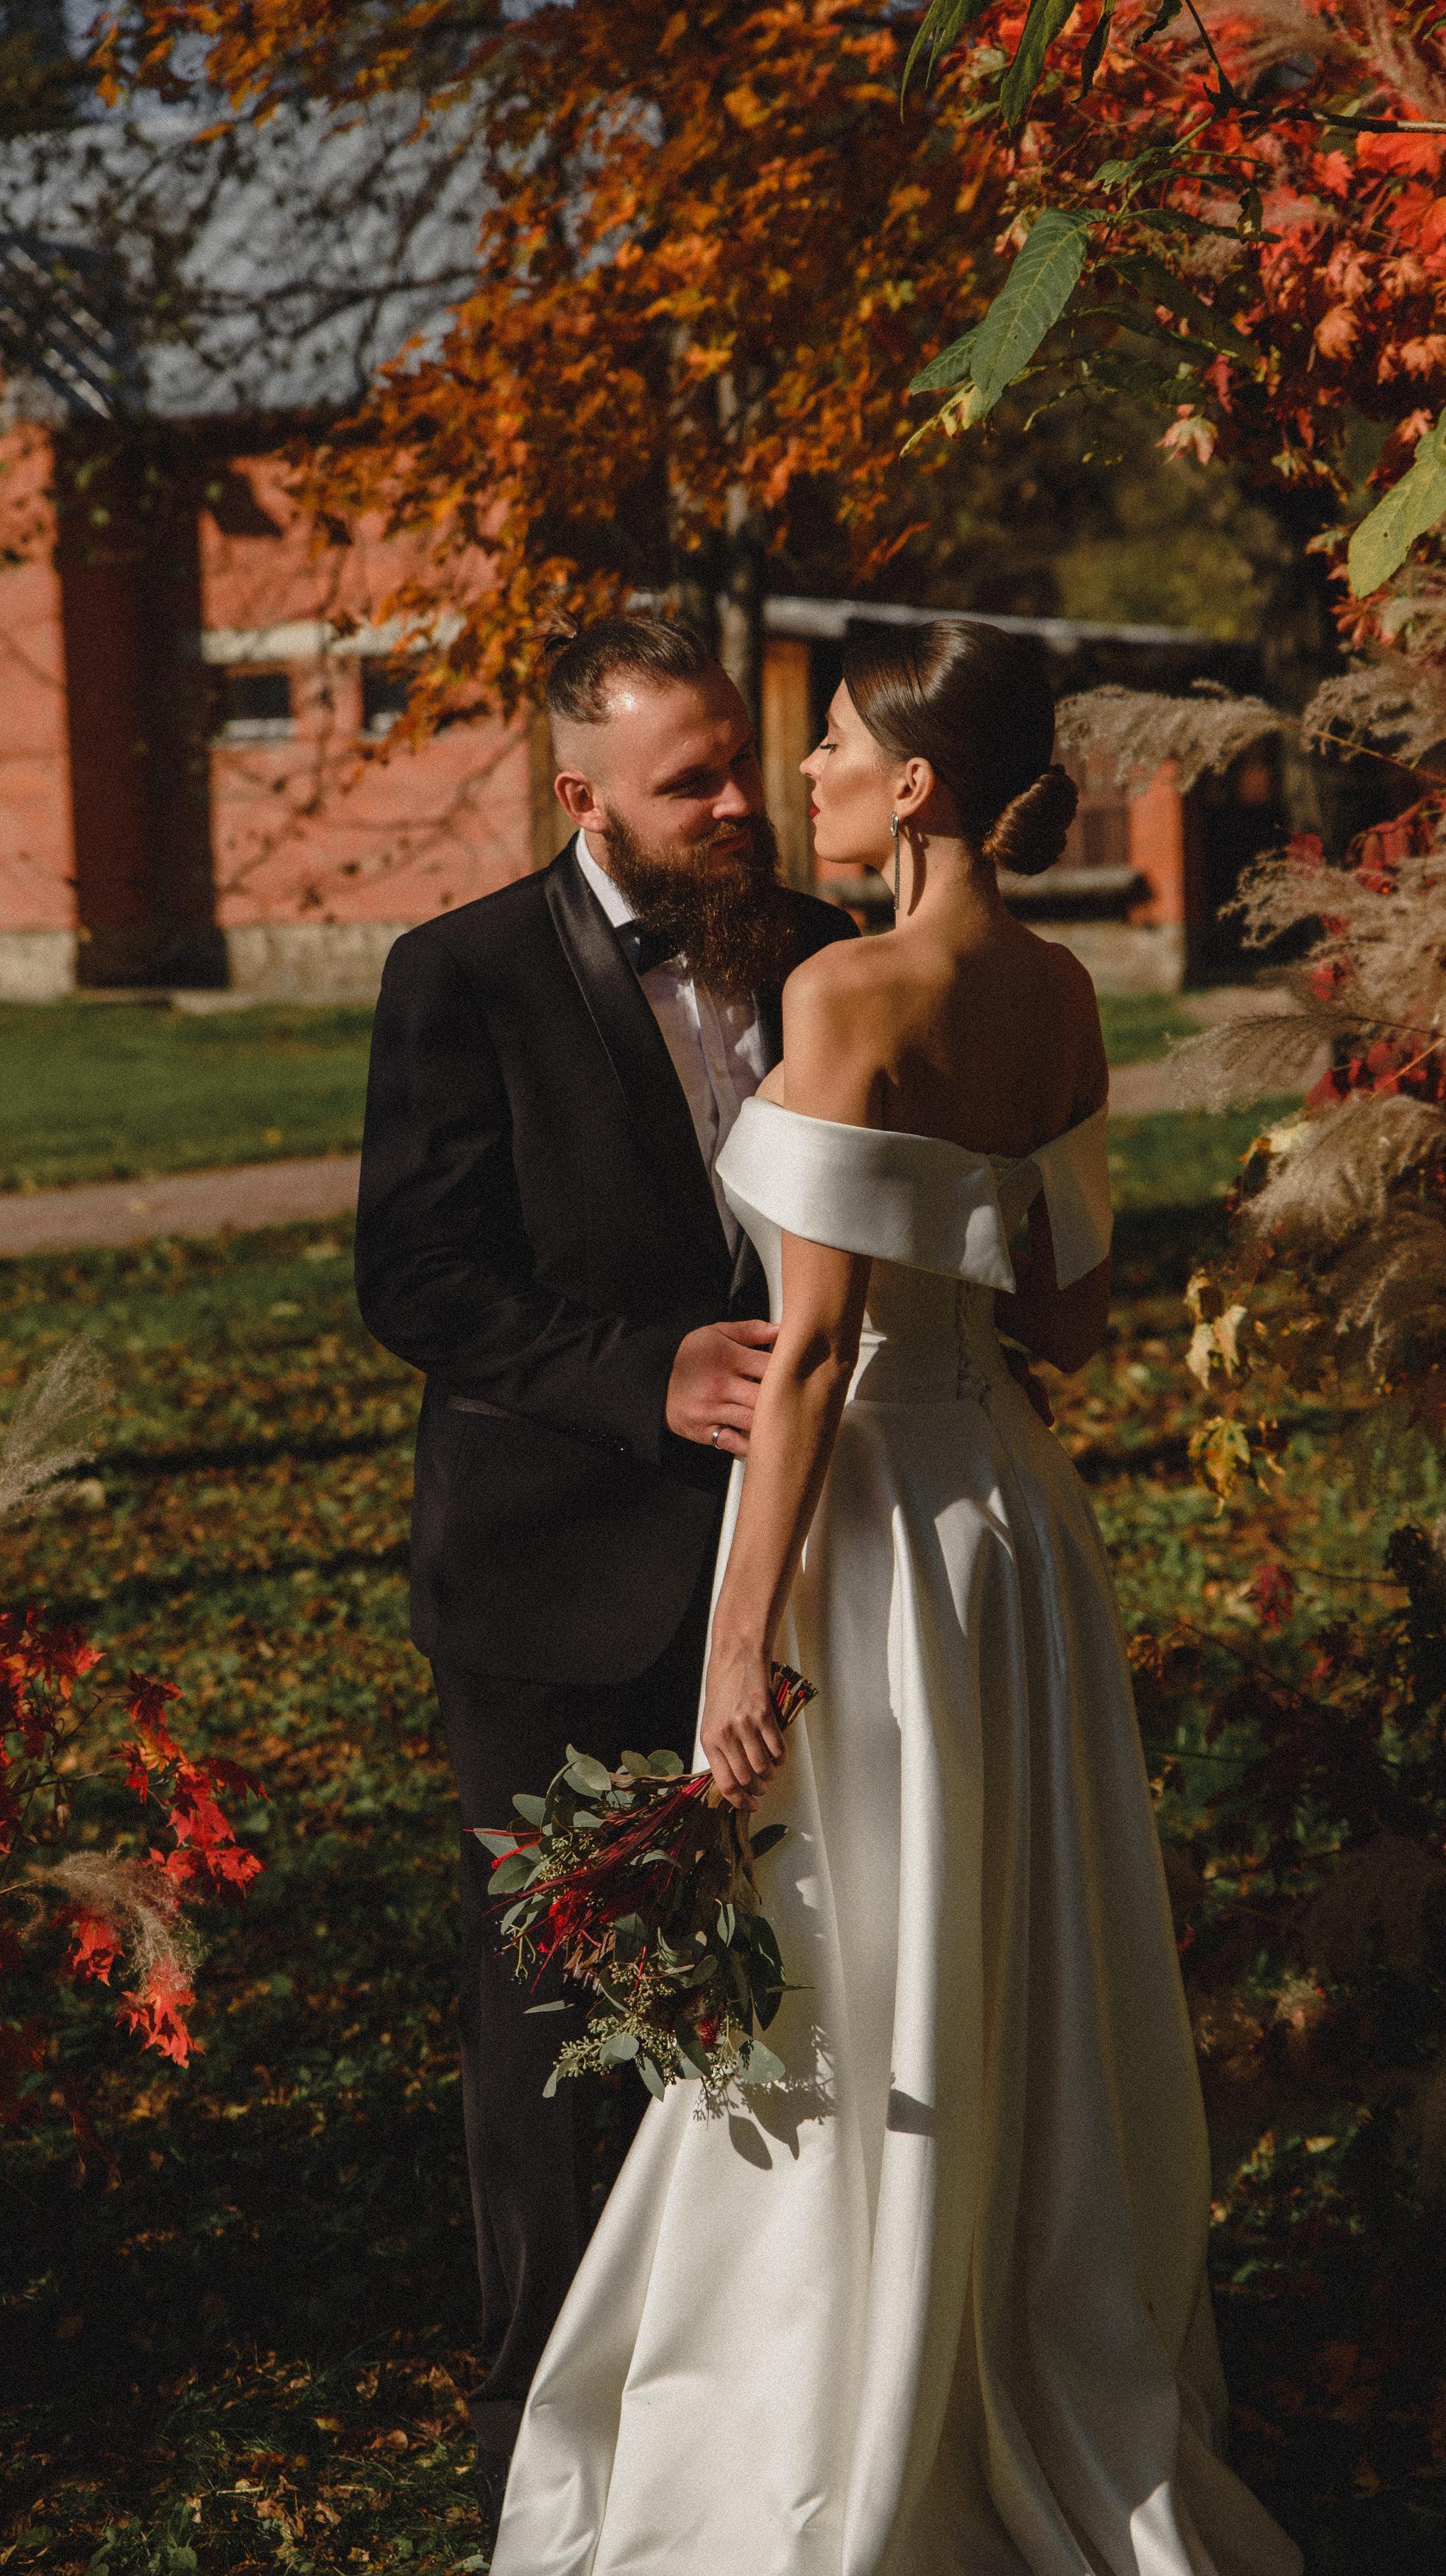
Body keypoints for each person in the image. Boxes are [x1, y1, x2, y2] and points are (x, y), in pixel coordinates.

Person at [494, 620, 1301, 2575]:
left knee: (853, 1951)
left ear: (919, 781)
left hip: (863, 1520)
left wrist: (737, 1639)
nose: (817, 772)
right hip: (1009, 1525)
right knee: (1006, 1932)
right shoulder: (1066, 993)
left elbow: (799, 1354)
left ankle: (845, 2415)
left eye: (840, 739)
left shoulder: (845, 991)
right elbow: (1072, 1316)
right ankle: (1016, 2345)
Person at [353, 616, 859, 2524]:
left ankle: (753, 2419)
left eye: (743, 764)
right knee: (558, 2018)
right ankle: (548, 2455)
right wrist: (644, 1377)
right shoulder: (455, 976)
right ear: (583, 799)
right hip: (552, 1581)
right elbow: (418, 1278)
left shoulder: (820, 955)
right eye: (691, 783)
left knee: (788, 1983)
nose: (740, 805)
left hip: (795, 1575)